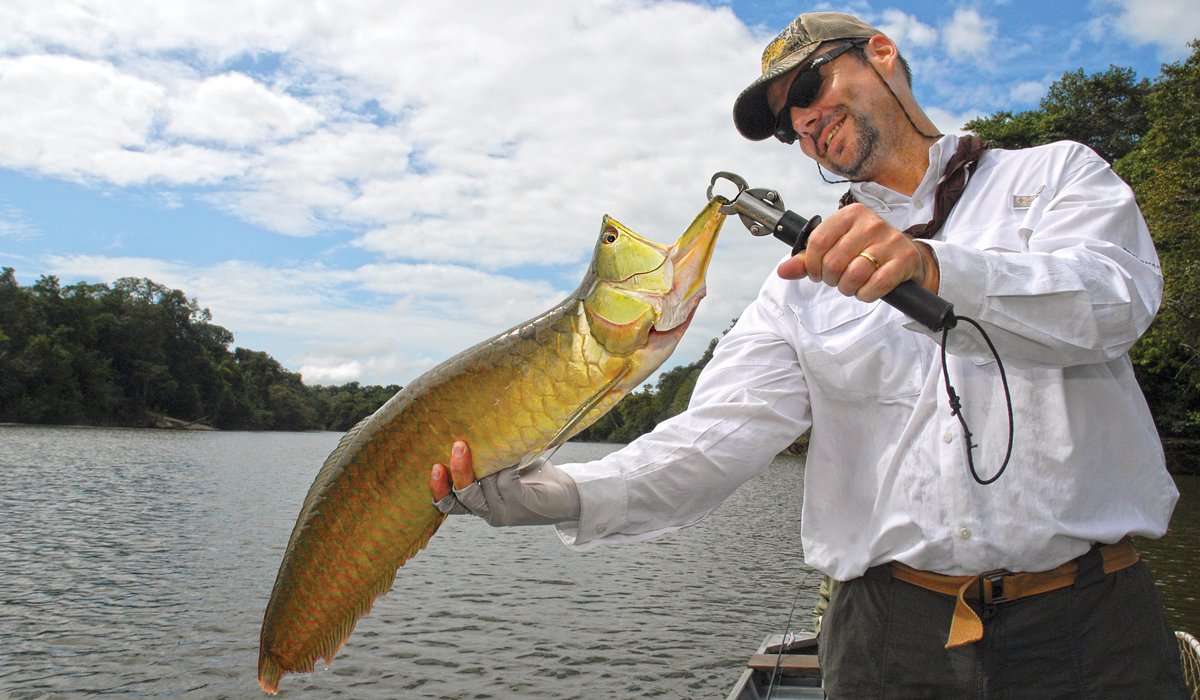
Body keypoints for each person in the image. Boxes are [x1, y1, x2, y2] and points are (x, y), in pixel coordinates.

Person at [430, 11, 1188, 697]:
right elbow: (712, 441)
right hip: (886, 638)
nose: (802, 122)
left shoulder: (1056, 176)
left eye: (810, 84)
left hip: (1095, 625)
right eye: (786, 122)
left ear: (882, 54)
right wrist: (559, 495)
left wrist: (934, 267)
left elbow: (1114, 303)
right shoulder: (796, 287)